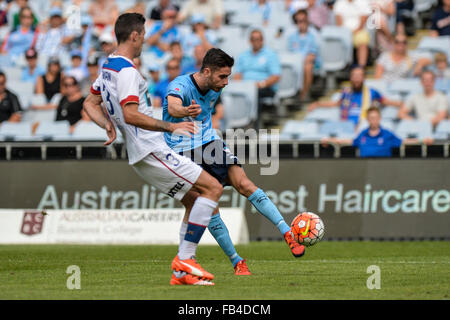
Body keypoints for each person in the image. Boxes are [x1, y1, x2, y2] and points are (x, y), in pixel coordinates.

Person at [83, 13, 223, 286]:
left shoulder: (108, 67)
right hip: (151, 149)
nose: (145, 39)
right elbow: (131, 114)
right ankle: (186, 261)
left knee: (194, 200)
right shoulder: (126, 72)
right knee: (213, 188)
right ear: (134, 35)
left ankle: (183, 272)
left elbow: (89, 103)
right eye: (144, 34)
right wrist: (171, 127)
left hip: (141, 153)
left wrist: (107, 126)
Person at [163, 48, 306, 275]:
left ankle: (287, 232)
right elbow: (172, 106)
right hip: (182, 151)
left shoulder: (214, 88)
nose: (226, 82)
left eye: (228, 76)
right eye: (222, 76)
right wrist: (184, 111)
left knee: (245, 184)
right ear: (207, 71)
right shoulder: (180, 85)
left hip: (209, 143)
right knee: (208, 205)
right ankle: (237, 261)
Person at [308, 66, 404, 125]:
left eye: (359, 76)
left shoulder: (372, 92)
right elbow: (336, 104)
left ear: (363, 78)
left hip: (364, 125)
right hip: (346, 126)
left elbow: (386, 102)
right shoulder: (346, 92)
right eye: (354, 76)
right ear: (351, 78)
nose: (357, 79)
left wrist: (403, 105)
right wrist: (317, 104)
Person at [321, 106, 426, 157]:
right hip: (365, 169)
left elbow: (404, 142)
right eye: (371, 118)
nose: (373, 120)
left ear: (380, 118)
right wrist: (329, 140)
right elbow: (349, 142)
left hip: (382, 169)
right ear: (367, 119)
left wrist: (422, 140)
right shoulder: (363, 134)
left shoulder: (387, 134)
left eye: (375, 118)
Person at [234, 29, 281, 125]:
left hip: (264, 87)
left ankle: (255, 125)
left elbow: (276, 76)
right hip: (245, 87)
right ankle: (236, 123)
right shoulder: (243, 55)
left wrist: (261, 84)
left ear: (262, 40)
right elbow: (238, 74)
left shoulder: (270, 55)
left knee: (255, 94)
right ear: (250, 41)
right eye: (253, 39)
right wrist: (239, 86)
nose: (256, 42)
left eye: (258, 39)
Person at [288, 9, 320, 100]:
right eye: (298, 21)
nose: (301, 23)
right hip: (296, 62)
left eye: (303, 20)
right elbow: (290, 53)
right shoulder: (292, 37)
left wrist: (301, 61)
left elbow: (312, 54)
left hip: (309, 62)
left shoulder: (313, 35)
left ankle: (304, 94)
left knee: (308, 66)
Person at [334, 0, 372, 67]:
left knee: (362, 41)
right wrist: (347, 33)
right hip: (343, 32)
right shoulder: (339, 2)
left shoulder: (363, 2)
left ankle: (361, 67)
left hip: (359, 31)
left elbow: (362, 23)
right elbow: (339, 22)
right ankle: (342, 66)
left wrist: (352, 33)